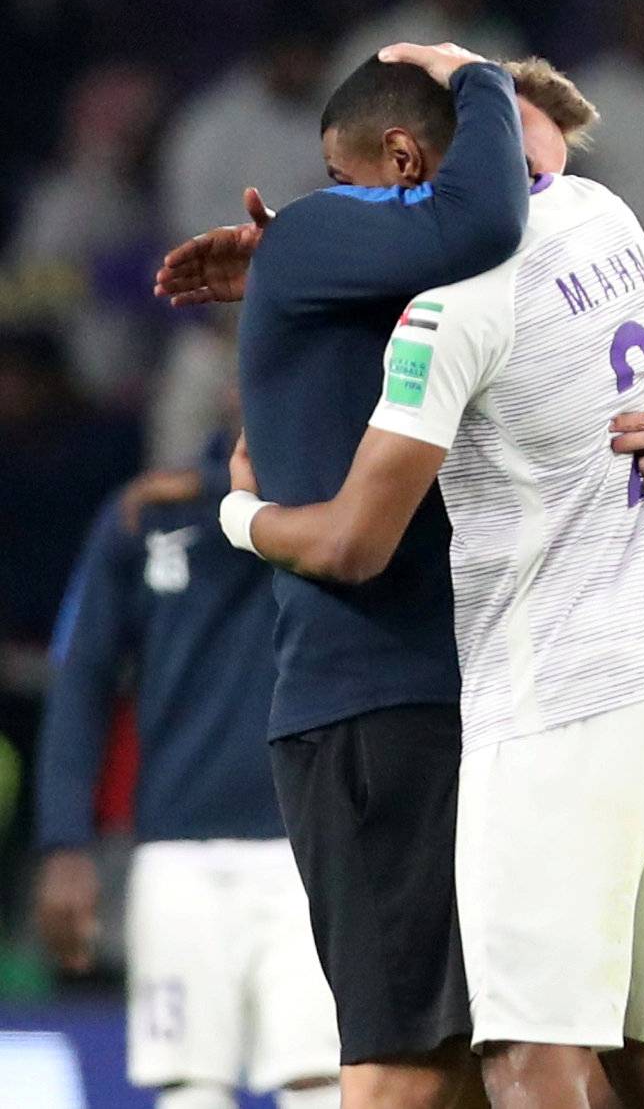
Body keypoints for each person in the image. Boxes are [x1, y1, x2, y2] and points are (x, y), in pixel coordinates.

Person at [213, 55, 644, 1109]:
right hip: (533, 693)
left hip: (518, 703)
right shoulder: (600, 221)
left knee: (498, 1061)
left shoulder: (457, 293)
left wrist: (237, 515)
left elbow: (357, 538)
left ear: (414, 158)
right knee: (613, 1054)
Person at [152, 43, 535, 1109]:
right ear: (410, 155)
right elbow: (485, 219)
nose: (328, 205)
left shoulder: (383, 281)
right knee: (397, 1060)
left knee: (458, 1051)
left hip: (433, 700)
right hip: (365, 701)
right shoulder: (326, 234)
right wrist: (479, 74)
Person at [34, 440, 340, 1109]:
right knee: (188, 1081)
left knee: (319, 1074)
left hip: (311, 843)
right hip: (176, 846)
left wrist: (205, 486)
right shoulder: (142, 516)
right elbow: (82, 676)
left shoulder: (340, 498)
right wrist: (63, 840)